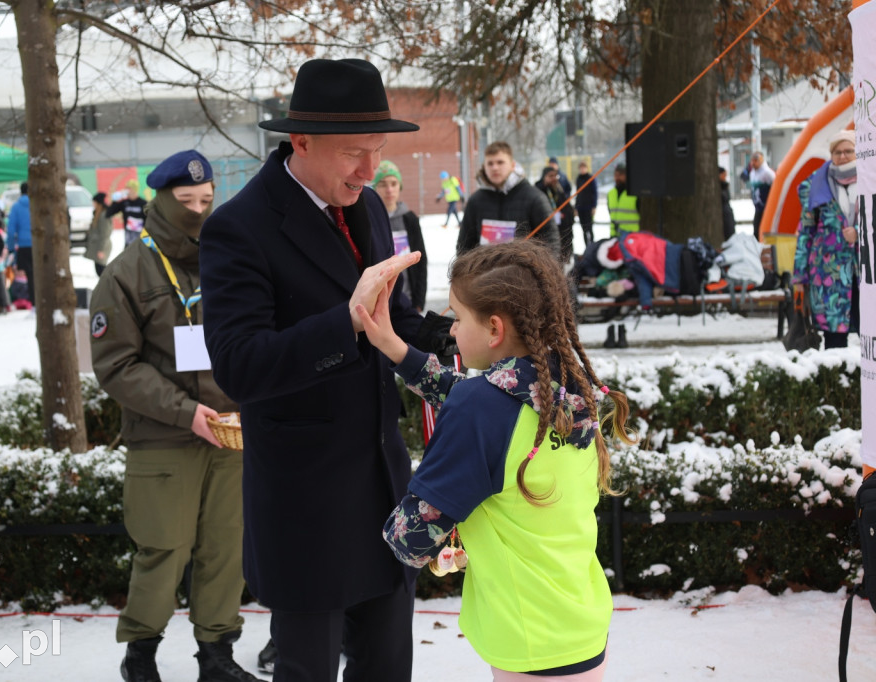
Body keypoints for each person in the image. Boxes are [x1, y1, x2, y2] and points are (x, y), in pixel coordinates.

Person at [200, 58, 431, 682]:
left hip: (384, 490)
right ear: (299, 141)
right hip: (306, 505)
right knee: (308, 671)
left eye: (378, 150)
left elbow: (393, 320)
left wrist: (460, 332)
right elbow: (240, 368)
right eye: (355, 151)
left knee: (387, 670)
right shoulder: (238, 228)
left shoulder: (369, 208)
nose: (370, 169)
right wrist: (344, 323)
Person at [354, 239, 635, 682]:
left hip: (527, 638)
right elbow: (481, 401)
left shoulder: (482, 409)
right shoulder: (566, 386)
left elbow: (410, 538)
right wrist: (395, 348)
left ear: (495, 330)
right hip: (577, 619)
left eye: (457, 316)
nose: (450, 330)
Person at [89, 150, 261, 682]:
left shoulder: (231, 259)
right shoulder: (127, 272)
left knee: (225, 549)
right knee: (163, 550)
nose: (197, 211)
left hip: (230, 435)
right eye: (185, 201)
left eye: (206, 201)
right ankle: (140, 653)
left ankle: (217, 655)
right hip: (163, 438)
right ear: (160, 201)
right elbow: (115, 363)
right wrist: (185, 412)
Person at [792, 130, 860, 350]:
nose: (843, 156)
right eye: (837, 152)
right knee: (834, 339)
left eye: (849, 151)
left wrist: (858, 231)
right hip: (828, 275)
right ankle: (834, 382)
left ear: (858, 153)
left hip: (864, 273)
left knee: (869, 335)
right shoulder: (815, 186)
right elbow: (805, 233)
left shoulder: (870, 181)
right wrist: (799, 278)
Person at [456, 141, 558, 258]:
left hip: (524, 274)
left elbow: (551, 242)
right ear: (484, 166)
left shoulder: (535, 198)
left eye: (500, 162)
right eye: (490, 163)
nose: (495, 168)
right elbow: (464, 246)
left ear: (512, 165)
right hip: (484, 275)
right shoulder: (475, 201)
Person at [374, 160, 427, 311]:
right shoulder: (370, 219)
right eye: (383, 184)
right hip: (379, 302)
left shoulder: (409, 219)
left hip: (408, 300)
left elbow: (421, 260)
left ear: (400, 186)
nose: (389, 190)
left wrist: (419, 300)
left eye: (393, 183)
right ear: (375, 188)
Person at [535, 165, 577, 263]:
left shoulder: (558, 189)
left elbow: (564, 204)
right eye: (550, 176)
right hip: (548, 234)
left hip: (563, 231)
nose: (554, 178)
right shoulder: (538, 192)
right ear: (544, 177)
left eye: (555, 176)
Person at [6, 182, 35, 304]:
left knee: (29, 275)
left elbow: (11, 230)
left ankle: (33, 302)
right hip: (38, 246)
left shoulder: (16, 207)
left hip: (24, 246)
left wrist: (11, 247)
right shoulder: (37, 205)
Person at [741, 151, 775, 240]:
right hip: (758, 207)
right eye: (752, 161)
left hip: (767, 207)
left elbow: (775, 187)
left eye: (756, 161)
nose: (753, 163)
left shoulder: (767, 173)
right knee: (756, 229)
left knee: (766, 229)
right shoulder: (752, 173)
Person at [106, 179, 149, 247]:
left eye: (128, 188)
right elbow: (108, 213)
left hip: (142, 239)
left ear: (134, 190)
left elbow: (149, 220)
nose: (126, 190)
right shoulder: (124, 203)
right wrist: (115, 200)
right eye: (126, 188)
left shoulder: (143, 203)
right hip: (129, 240)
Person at [85, 192, 114, 277]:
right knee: (99, 270)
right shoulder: (98, 214)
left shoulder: (103, 215)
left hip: (102, 247)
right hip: (97, 246)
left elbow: (105, 234)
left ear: (99, 203)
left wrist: (101, 250)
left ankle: (107, 289)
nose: (93, 204)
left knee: (101, 271)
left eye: (94, 202)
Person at [606, 163, 639, 236]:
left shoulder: (634, 194)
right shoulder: (610, 194)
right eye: (615, 175)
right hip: (615, 236)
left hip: (632, 237)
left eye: (620, 174)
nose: (617, 178)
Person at [574, 161, 598, 253]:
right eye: (581, 168)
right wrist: (576, 207)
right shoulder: (578, 179)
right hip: (581, 208)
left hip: (589, 207)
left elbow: (595, 193)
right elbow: (577, 194)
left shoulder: (590, 178)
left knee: (590, 228)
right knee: (583, 229)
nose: (582, 169)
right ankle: (586, 248)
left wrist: (594, 206)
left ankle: (592, 247)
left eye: (584, 167)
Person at [719, 166, 736, 241]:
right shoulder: (721, 187)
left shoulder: (724, 186)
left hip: (727, 211)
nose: (725, 177)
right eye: (724, 175)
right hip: (725, 212)